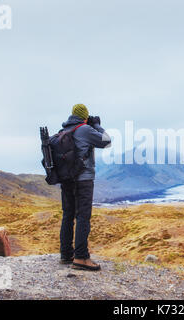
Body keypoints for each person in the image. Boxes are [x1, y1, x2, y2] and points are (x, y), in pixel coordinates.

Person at [59, 103, 111, 271]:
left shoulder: (63, 131)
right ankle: (81, 257)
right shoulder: (84, 129)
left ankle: (66, 254)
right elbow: (107, 141)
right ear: (85, 117)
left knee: (68, 215)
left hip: (66, 179)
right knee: (83, 216)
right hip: (83, 179)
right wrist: (96, 125)